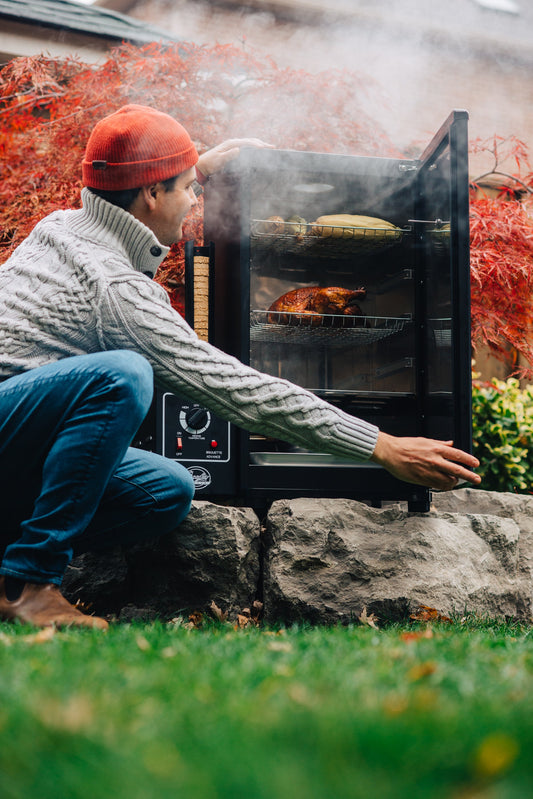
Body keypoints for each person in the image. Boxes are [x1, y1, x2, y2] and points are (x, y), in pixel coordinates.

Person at [0, 104, 481, 630]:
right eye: (187, 188)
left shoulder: (63, 225)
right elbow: (236, 389)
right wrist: (381, 445)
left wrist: (194, 165)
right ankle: (27, 583)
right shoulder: (117, 288)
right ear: (151, 194)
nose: (195, 200)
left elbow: (132, 193)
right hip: (11, 427)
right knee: (122, 376)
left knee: (167, 490)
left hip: (19, 438)